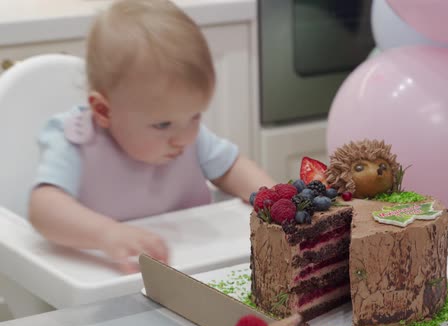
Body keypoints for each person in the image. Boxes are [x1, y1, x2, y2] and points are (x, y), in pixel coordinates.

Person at [27, 0, 275, 273]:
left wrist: (272, 200)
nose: (184, 137)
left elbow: (230, 167)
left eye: (195, 116)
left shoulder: (187, 135)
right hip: (112, 275)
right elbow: (43, 209)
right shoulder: (76, 142)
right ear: (103, 110)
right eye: (163, 124)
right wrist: (106, 234)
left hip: (193, 269)